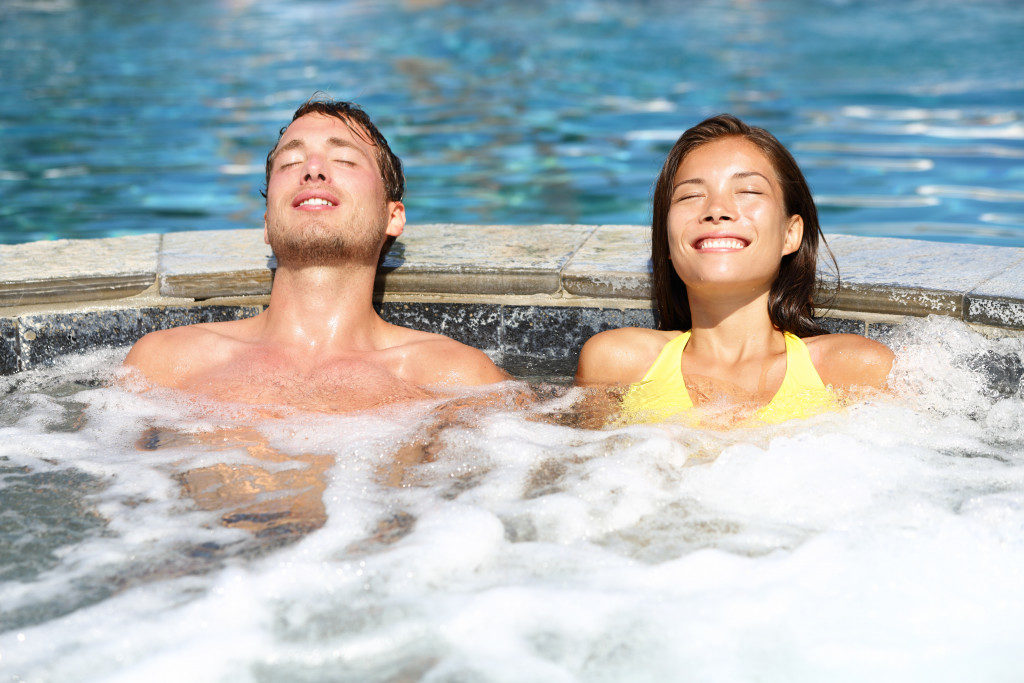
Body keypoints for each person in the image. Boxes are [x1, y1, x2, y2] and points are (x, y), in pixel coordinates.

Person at [125, 98, 508, 412]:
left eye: (343, 159)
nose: (312, 170)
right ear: (266, 222)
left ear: (392, 216)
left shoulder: (457, 377)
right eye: (291, 162)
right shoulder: (163, 364)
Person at [575, 114, 893, 427]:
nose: (717, 211)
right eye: (690, 195)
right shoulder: (616, 365)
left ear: (790, 234)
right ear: (667, 242)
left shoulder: (856, 370)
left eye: (748, 192)